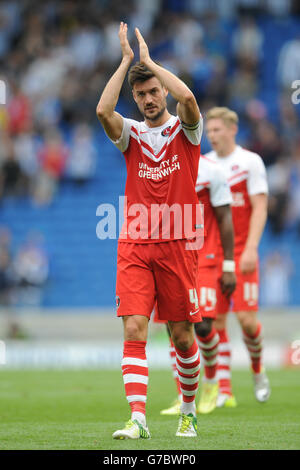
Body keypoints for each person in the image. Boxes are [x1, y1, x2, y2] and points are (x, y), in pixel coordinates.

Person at [96, 23, 204, 439]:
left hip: (178, 244)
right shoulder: (132, 135)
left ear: (163, 90)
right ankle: (137, 418)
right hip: (136, 243)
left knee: (181, 336)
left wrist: (151, 63)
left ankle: (189, 411)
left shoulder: (186, 130)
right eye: (140, 94)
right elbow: (104, 112)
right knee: (134, 328)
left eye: (153, 91)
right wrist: (126, 62)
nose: (147, 99)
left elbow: (190, 98)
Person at [159, 155, 236, 416]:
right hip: (173, 257)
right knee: (173, 329)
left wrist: (228, 265)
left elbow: (225, 217)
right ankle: (182, 395)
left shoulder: (211, 170)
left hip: (205, 256)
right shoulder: (162, 165)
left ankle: (213, 383)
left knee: (203, 326)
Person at [204, 107, 270, 407]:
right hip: (214, 254)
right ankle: (224, 389)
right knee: (215, 322)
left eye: (217, 130)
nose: (212, 136)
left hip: (242, 251)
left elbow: (259, 207)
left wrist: (252, 248)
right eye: (209, 131)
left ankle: (258, 371)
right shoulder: (203, 163)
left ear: (232, 129)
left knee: (245, 320)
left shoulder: (249, 162)